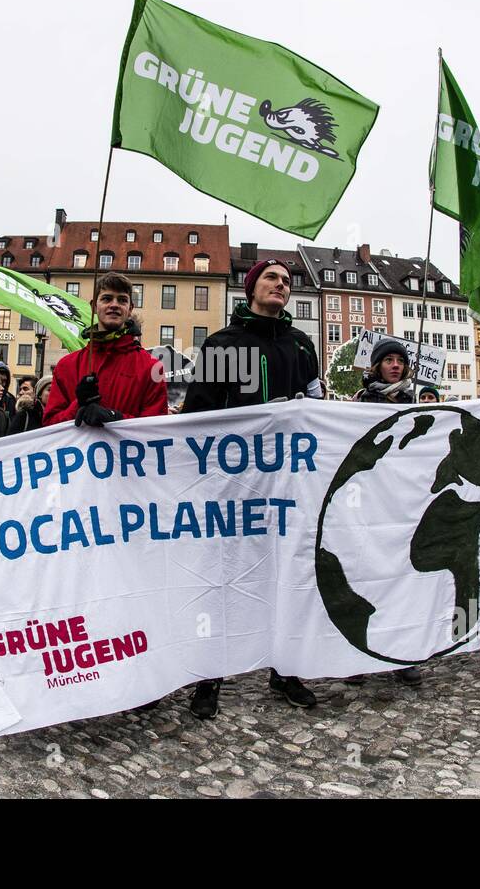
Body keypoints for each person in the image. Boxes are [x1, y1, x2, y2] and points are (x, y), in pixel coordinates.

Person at [181, 258, 321, 717]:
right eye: (271, 279)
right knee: (225, 577)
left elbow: (318, 410)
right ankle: (209, 674)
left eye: (286, 281)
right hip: (234, 484)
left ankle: (286, 668)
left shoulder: (301, 346)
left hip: (288, 484)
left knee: (286, 576)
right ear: (251, 289)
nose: (281, 285)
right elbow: (200, 416)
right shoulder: (224, 345)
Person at [350, 338, 423, 684]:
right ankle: (358, 653)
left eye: (400, 360)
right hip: (369, 501)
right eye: (388, 360)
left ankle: (400, 652)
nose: (395, 365)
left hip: (402, 503)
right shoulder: (362, 402)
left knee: (400, 577)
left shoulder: (414, 401)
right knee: (365, 577)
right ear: (376, 365)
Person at [42, 272, 168, 427]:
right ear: (94, 306)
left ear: (130, 309)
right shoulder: (66, 366)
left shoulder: (151, 368)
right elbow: (49, 427)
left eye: (122, 300)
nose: (114, 304)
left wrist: (116, 418)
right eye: (107, 298)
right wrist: (78, 406)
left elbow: (157, 429)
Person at [353, 339, 415, 406]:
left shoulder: (411, 399)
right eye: (389, 359)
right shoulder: (364, 401)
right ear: (378, 366)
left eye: (400, 360)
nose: (396, 365)